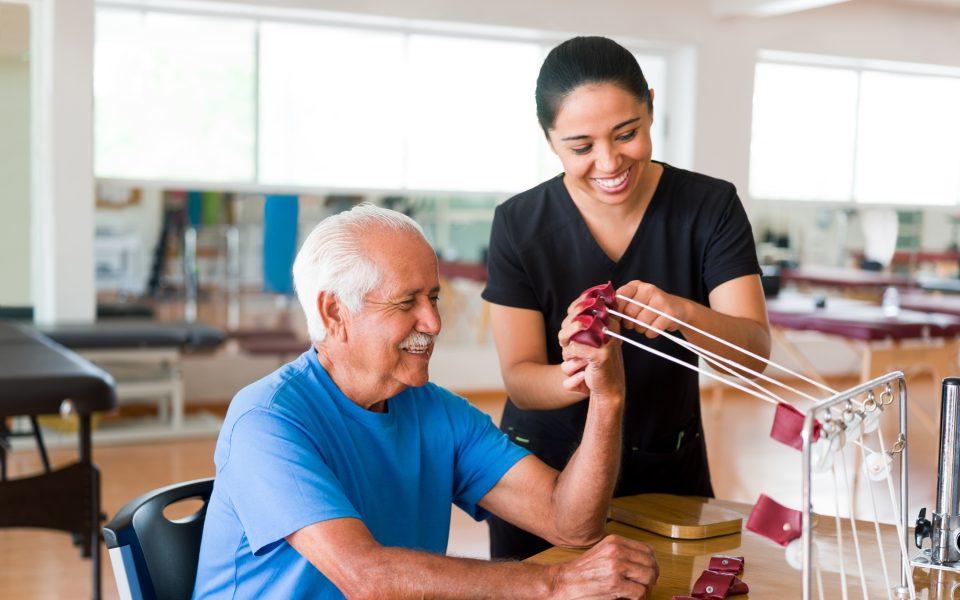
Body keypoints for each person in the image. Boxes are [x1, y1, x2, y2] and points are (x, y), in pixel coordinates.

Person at [192, 204, 659, 599]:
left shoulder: (434, 411)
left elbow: (569, 522)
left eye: (433, 297)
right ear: (334, 312)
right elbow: (367, 576)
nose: (433, 322)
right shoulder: (267, 421)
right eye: (406, 302)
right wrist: (553, 583)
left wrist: (608, 397)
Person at [482, 36, 771, 560]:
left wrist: (683, 313)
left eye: (627, 133)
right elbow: (521, 381)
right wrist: (579, 374)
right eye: (580, 146)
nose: (609, 162)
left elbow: (753, 355)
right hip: (545, 473)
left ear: (652, 107)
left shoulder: (710, 207)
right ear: (549, 140)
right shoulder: (518, 224)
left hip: (666, 464)